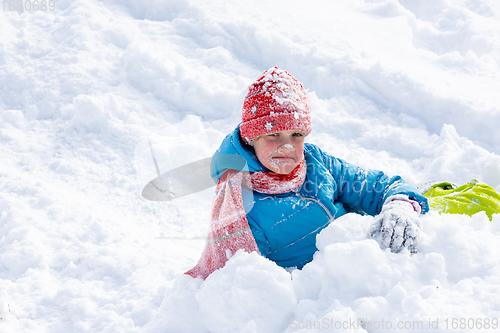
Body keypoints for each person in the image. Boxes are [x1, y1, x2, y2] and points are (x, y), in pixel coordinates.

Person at [185, 67, 429, 280]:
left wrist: (400, 205)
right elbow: (242, 287)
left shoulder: (314, 162)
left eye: (296, 135)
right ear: (252, 138)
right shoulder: (241, 208)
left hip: (378, 258)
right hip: (328, 292)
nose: (287, 146)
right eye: (274, 135)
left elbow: (373, 185)